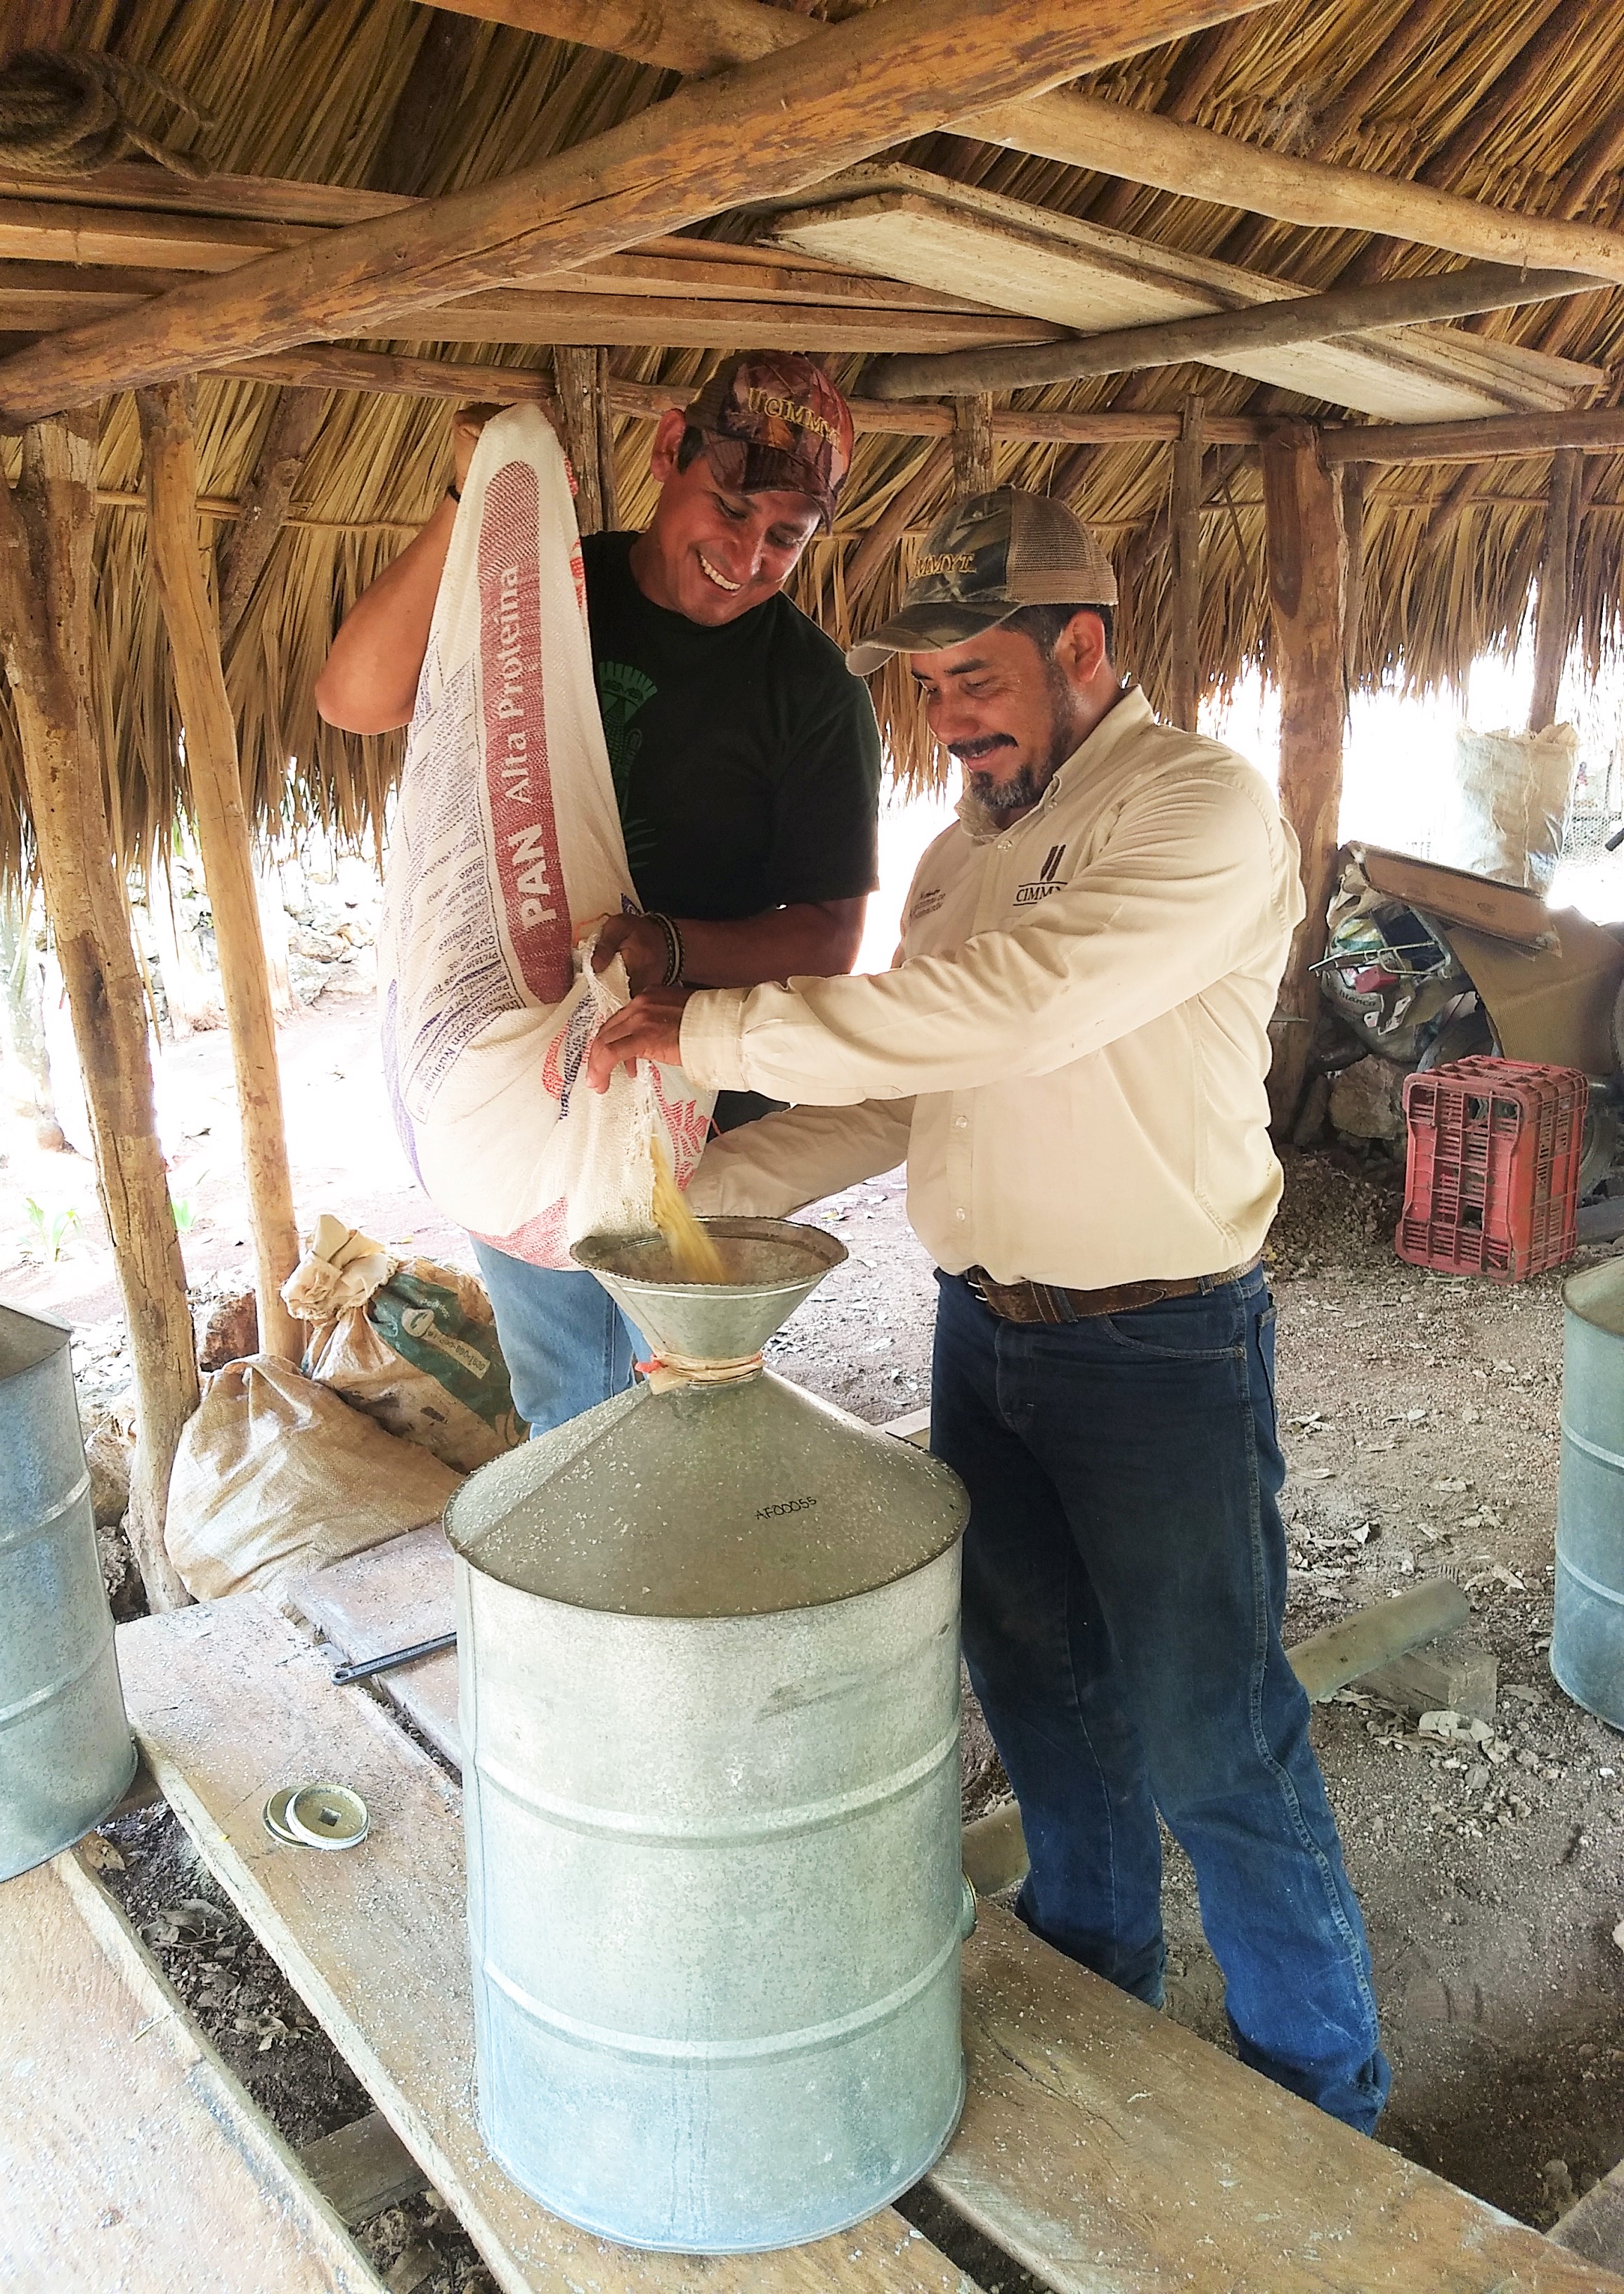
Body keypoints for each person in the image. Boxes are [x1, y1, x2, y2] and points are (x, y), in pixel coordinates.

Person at [584, 486, 1391, 2134]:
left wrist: (712, 1030)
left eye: (977, 675)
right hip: (987, 1336)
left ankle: (1321, 2094)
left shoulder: (1198, 811)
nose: (950, 718)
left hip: (1161, 1348)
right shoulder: (961, 857)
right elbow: (911, 1089)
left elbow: (1012, 1013)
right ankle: (1096, 1990)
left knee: (1212, 1736)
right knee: (1039, 1697)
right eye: (930, 686)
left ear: (1079, 647)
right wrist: (681, 1203)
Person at [317, 353, 881, 1434]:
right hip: (520, 1083)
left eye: (787, 536)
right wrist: (472, 496)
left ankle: (667, 1588)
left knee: (680, 1412)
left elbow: (825, 940)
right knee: (571, 1406)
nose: (746, 556)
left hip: (697, 1114)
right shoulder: (547, 596)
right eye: (729, 508)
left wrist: (660, 949)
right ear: (669, 450)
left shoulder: (810, 693)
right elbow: (355, 697)